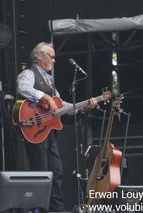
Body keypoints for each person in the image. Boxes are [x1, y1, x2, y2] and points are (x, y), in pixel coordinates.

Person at [16, 42, 97, 212]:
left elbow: (61, 105)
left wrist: (82, 107)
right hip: (35, 130)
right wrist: (45, 96)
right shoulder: (28, 73)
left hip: (49, 133)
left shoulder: (49, 80)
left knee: (56, 171)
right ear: (39, 56)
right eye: (51, 56)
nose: (53, 60)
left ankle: (57, 209)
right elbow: (22, 88)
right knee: (42, 172)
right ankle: (40, 208)